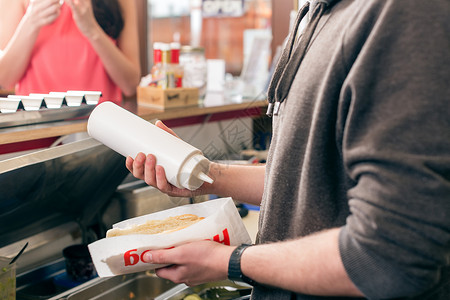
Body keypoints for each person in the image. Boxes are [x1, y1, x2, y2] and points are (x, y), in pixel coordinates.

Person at [126, 0, 450, 299]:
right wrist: (207, 175)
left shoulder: (406, 13)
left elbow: (387, 258)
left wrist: (232, 261)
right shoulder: (318, 12)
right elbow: (308, 182)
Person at [0, 0, 140, 104]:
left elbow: (130, 85)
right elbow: (5, 79)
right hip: (37, 128)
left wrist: (92, 30)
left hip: (101, 127)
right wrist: (31, 22)